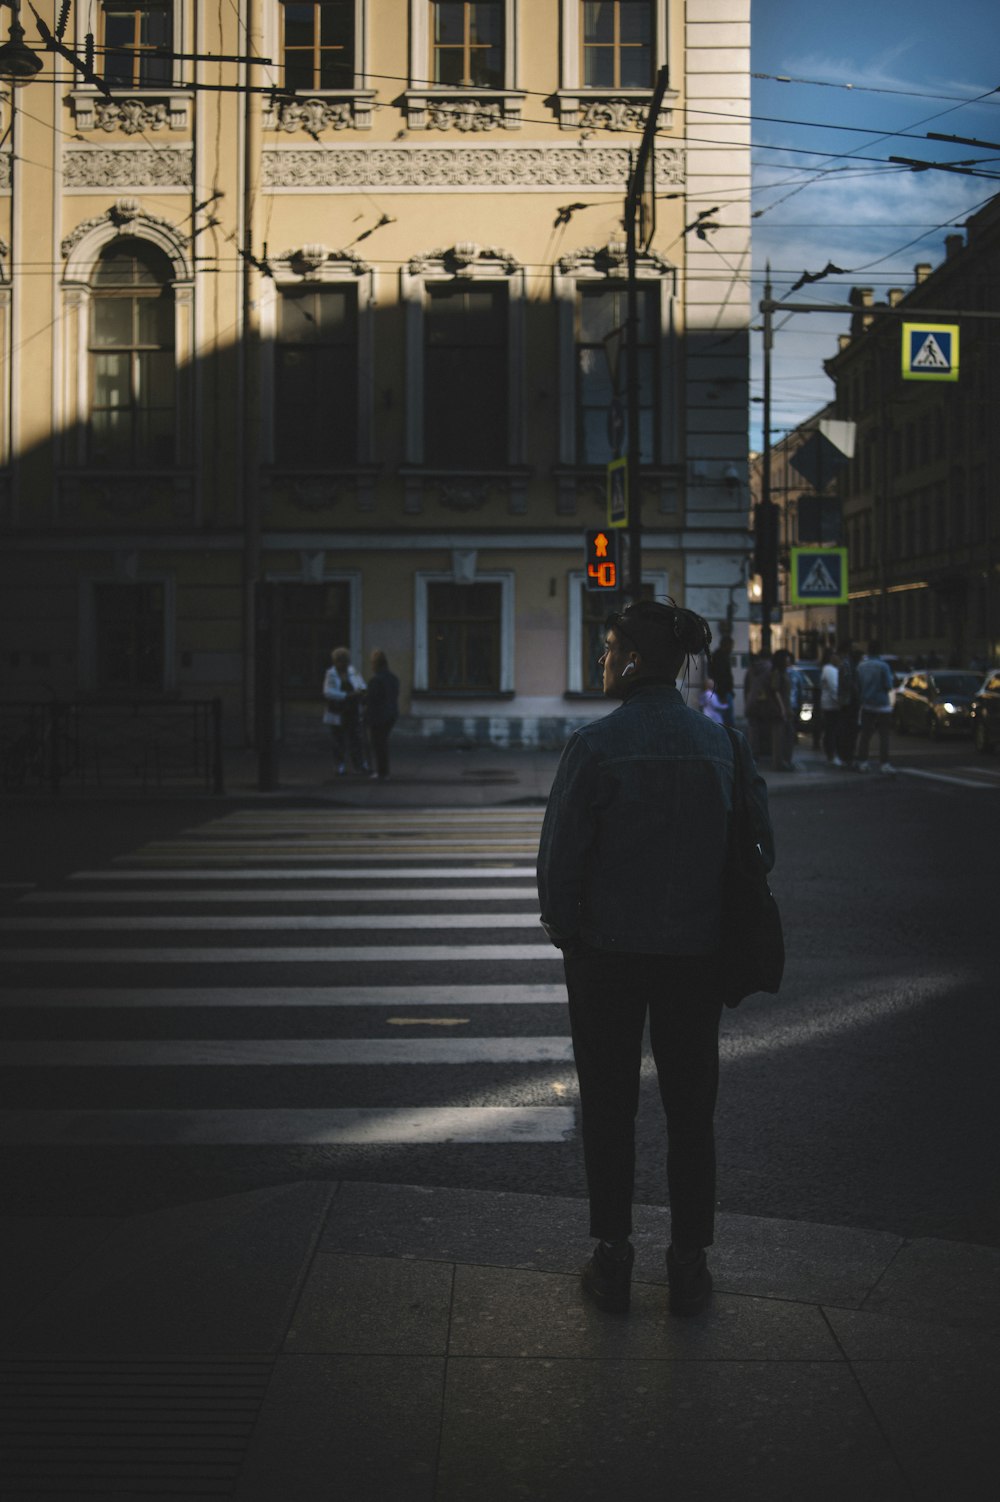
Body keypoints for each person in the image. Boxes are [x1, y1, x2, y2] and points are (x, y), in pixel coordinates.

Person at [536, 599, 774, 1319]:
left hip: (607, 956)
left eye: (608, 650)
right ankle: (687, 1263)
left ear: (633, 661)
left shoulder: (595, 746)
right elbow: (761, 849)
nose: (603, 662)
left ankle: (613, 1258)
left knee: (609, 1108)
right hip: (695, 956)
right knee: (690, 1110)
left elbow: (559, 864)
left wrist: (569, 934)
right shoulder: (723, 745)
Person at [322, 646, 369, 775]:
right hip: (338, 712)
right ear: (335, 661)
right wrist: (347, 695)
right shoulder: (331, 673)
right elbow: (328, 692)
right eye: (340, 661)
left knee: (356, 739)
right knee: (338, 740)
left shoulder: (353, 672)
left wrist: (362, 692)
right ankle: (340, 766)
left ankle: (359, 765)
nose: (343, 664)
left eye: (345, 661)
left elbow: (362, 685)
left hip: (352, 711)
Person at [854, 641, 898, 775]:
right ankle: (884, 763)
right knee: (884, 735)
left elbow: (858, 685)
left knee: (865, 735)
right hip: (882, 704)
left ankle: (863, 762)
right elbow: (888, 686)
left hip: (867, 703)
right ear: (879, 651)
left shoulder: (861, 666)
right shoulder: (883, 666)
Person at [364, 649, 400, 781]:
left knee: (378, 744)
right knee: (382, 743)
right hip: (391, 714)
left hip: (378, 716)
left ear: (376, 664)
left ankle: (381, 772)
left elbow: (372, 700)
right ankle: (384, 772)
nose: (371, 666)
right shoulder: (394, 678)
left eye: (372, 663)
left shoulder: (375, 680)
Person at [768, 649, 795, 772]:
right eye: (786, 658)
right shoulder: (777, 673)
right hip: (780, 709)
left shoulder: (785, 672)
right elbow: (776, 691)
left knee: (788, 736)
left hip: (787, 707)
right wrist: (782, 708)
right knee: (779, 738)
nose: (788, 660)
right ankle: (779, 763)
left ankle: (786, 761)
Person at [836, 639, 860, 768]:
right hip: (848, 701)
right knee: (848, 730)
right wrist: (856, 692)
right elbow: (848, 682)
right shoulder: (847, 664)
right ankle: (847, 757)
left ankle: (846, 756)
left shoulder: (848, 663)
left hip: (847, 701)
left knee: (848, 730)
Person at [819, 646, 841, 764]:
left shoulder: (829, 669)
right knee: (832, 731)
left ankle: (831, 754)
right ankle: (832, 755)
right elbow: (834, 688)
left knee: (830, 730)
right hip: (832, 705)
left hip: (830, 704)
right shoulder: (830, 670)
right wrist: (840, 701)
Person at [708, 635, 735, 727]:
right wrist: (723, 694)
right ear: (726, 645)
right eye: (731, 646)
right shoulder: (721, 658)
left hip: (721, 692)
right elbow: (722, 677)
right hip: (723, 693)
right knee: (727, 720)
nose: (732, 648)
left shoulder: (717, 656)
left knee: (722, 719)